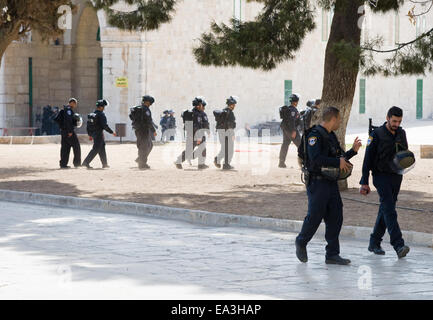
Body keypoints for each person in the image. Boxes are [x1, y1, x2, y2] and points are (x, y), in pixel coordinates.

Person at [295, 106, 362, 265]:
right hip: (317, 183)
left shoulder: (331, 136)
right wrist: (336, 162)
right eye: (339, 119)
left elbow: (340, 159)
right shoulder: (314, 136)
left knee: (335, 216)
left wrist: (352, 151)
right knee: (315, 216)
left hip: (331, 183)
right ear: (333, 119)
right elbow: (315, 159)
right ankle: (301, 241)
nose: (340, 122)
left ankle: (332, 254)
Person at [359, 106, 411, 259]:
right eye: (394, 121)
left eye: (399, 121)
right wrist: (364, 182)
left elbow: (405, 154)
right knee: (389, 209)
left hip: (396, 176)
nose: (396, 124)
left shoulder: (402, 133)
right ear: (387, 118)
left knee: (386, 209)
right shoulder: (376, 134)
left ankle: (374, 242)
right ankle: (398, 245)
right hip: (380, 176)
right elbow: (367, 159)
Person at [175, 96, 209, 170]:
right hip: (193, 136)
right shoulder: (195, 114)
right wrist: (198, 137)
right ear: (197, 106)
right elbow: (195, 127)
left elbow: (202, 124)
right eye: (201, 105)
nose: (202, 106)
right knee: (189, 150)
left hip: (197, 135)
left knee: (202, 148)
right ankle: (178, 161)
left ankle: (201, 164)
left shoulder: (199, 113)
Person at [82, 100, 117, 169]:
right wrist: (112, 132)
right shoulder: (101, 115)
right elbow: (105, 126)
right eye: (103, 106)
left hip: (94, 133)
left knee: (102, 147)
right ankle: (86, 162)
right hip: (98, 134)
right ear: (101, 107)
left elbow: (88, 126)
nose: (104, 108)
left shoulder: (92, 114)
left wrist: (90, 134)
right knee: (95, 149)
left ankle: (104, 164)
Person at [130, 95, 157, 170]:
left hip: (137, 129)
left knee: (148, 145)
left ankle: (140, 159)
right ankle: (142, 164)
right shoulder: (146, 110)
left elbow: (131, 117)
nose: (150, 104)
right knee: (144, 147)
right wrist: (153, 131)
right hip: (144, 130)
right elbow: (149, 121)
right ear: (148, 102)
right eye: (150, 102)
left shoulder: (137, 109)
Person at [214, 96, 237, 170]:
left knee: (225, 148)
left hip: (221, 133)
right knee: (230, 149)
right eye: (233, 105)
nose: (234, 106)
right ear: (231, 105)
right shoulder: (230, 113)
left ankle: (218, 160)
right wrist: (233, 134)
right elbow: (231, 125)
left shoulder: (223, 112)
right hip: (228, 133)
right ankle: (226, 164)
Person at [57, 98, 81, 169]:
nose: (75, 106)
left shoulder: (63, 109)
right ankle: (77, 163)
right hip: (69, 132)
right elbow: (69, 121)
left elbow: (58, 120)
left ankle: (63, 164)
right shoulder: (68, 110)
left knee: (65, 148)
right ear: (72, 103)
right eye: (75, 104)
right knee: (76, 146)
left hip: (63, 131)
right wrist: (70, 131)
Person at [279, 93, 302, 168]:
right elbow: (292, 121)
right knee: (301, 146)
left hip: (285, 129)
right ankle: (304, 163)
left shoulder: (289, 109)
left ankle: (281, 162)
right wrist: (294, 131)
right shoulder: (293, 110)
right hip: (291, 130)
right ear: (295, 101)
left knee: (285, 145)